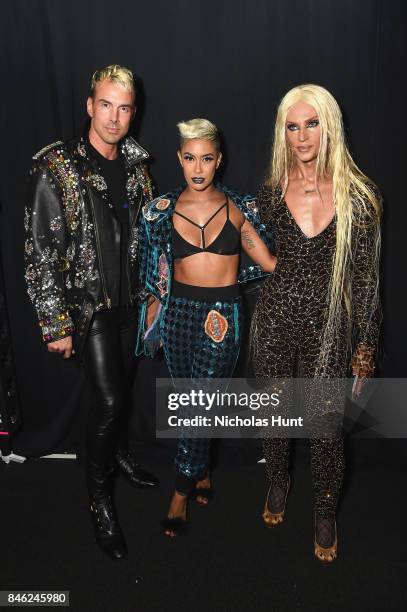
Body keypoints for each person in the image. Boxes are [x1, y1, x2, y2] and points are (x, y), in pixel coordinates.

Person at [25, 64, 159, 560]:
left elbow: (147, 235)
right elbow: (39, 249)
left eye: (124, 108)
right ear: (89, 105)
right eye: (106, 104)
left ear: (132, 113)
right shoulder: (59, 168)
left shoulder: (138, 167)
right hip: (90, 309)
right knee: (106, 402)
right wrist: (55, 322)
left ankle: (120, 453)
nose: (114, 117)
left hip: (131, 304)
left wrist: (153, 294)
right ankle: (99, 500)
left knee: (122, 393)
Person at [251, 84, 382, 563]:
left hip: (327, 329)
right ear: (282, 133)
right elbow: (252, 258)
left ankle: (325, 509)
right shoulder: (269, 194)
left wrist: (364, 352)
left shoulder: (360, 197)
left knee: (326, 428)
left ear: (330, 126)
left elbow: (366, 280)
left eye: (311, 123)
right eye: (292, 126)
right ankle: (277, 482)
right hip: (275, 320)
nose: (302, 136)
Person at [137, 118, 276, 536]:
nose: (199, 168)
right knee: (188, 402)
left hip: (222, 316)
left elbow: (268, 263)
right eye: (190, 158)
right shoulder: (158, 211)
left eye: (207, 158)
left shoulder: (238, 207)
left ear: (220, 160)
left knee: (201, 402)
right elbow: (152, 276)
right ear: (180, 159)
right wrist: (151, 324)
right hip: (179, 315)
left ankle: (179, 492)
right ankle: (203, 471)